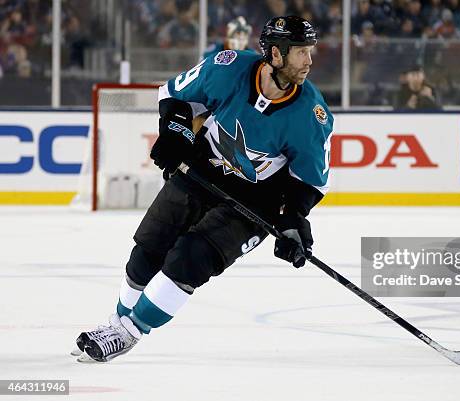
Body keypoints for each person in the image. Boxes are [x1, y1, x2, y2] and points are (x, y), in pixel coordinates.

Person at [74, 15, 333, 363]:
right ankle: (116, 323)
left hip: (256, 201)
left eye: (309, 51)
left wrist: (292, 219)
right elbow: (176, 96)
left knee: (189, 258)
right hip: (200, 170)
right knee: (148, 250)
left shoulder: (311, 115)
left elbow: (309, 182)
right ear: (275, 53)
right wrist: (176, 135)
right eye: (300, 52)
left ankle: (129, 332)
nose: (309, 61)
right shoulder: (228, 68)